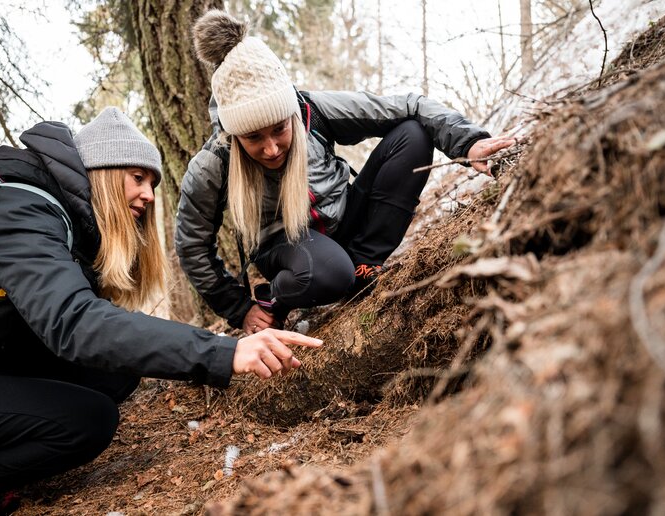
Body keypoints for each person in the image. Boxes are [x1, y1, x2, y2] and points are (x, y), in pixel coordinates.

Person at [0, 107, 320, 516]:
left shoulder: (56, 220)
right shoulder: (16, 211)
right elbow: (75, 323)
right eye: (137, 178)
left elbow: (83, 326)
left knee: (112, 375)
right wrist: (223, 353)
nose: (147, 195)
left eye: (152, 183)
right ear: (101, 173)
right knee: (87, 421)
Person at [176, 10, 515, 335]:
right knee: (329, 273)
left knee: (412, 134)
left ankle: (364, 265)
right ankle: (280, 296)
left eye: (279, 129)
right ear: (236, 135)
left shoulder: (314, 111)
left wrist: (467, 143)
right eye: (253, 138)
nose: (271, 148)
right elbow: (192, 244)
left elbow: (409, 105)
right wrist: (239, 307)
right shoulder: (214, 163)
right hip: (288, 245)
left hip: (344, 218)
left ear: (292, 114)